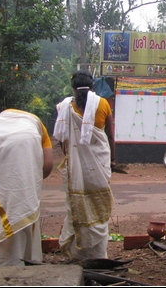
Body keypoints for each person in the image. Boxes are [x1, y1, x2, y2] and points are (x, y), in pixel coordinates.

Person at [53, 70, 115, 260]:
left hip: (75, 169)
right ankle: (97, 254)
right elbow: (110, 135)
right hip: (100, 165)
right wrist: (112, 161)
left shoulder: (64, 107)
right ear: (93, 87)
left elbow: (63, 140)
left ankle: (77, 255)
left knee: (76, 206)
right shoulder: (103, 104)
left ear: (73, 88)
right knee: (98, 205)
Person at [0, 109, 53, 267]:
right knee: (20, 209)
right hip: (24, 143)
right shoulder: (37, 126)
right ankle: (15, 262)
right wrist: (31, 182)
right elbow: (48, 164)